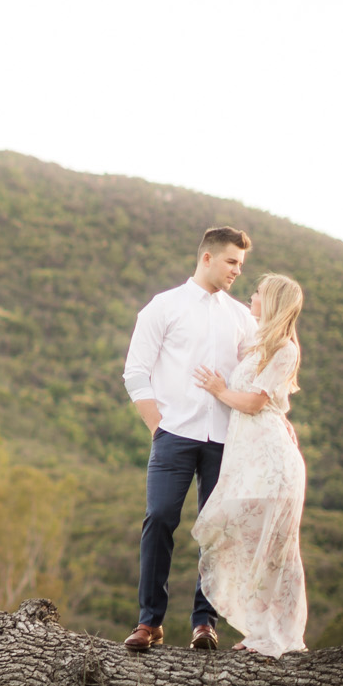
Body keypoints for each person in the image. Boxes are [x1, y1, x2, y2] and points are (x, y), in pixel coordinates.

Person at [120, 227, 258, 651]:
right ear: (207, 258)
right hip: (173, 436)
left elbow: (256, 373)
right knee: (160, 517)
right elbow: (135, 372)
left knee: (216, 529)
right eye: (232, 262)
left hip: (225, 439)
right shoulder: (164, 307)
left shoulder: (241, 318)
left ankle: (205, 622)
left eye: (241, 264)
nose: (237, 270)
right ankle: (149, 622)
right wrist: (158, 427)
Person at [191, 274, 309, 657]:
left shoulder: (284, 349)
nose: (252, 296)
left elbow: (256, 403)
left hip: (271, 459)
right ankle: (259, 629)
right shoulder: (257, 343)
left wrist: (220, 390)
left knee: (272, 547)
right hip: (249, 457)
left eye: (257, 293)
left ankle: (273, 635)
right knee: (245, 539)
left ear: (271, 300)